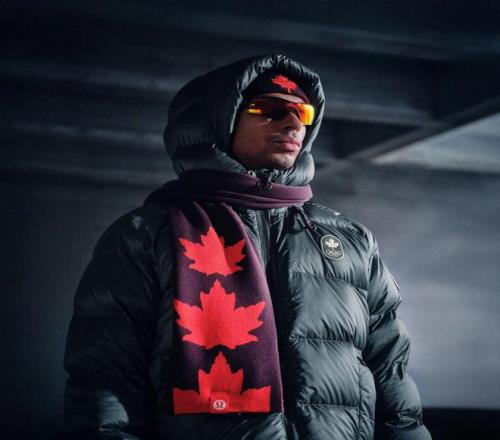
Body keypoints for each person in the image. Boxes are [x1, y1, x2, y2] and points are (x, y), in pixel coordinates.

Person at [63, 54, 432, 440]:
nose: (293, 124)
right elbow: (105, 386)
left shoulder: (350, 240)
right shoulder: (145, 235)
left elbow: (392, 380)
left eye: (303, 113)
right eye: (270, 109)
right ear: (214, 122)